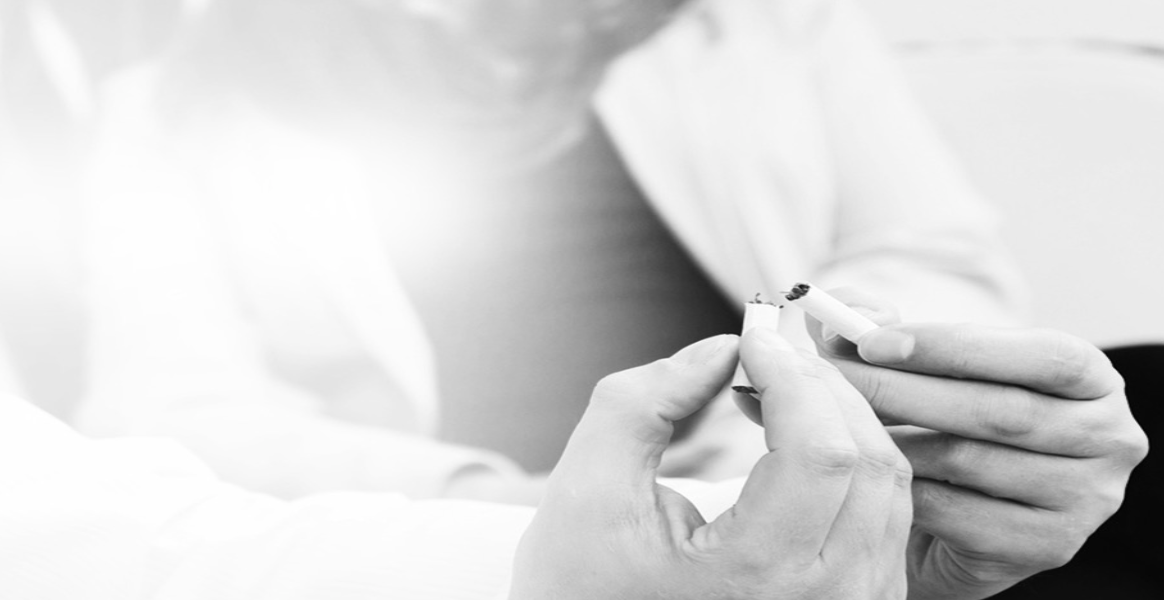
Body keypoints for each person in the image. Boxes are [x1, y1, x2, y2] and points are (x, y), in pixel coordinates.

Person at [74, 0, 1025, 502]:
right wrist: (487, 502)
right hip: (477, 536)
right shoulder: (171, 109)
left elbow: (935, 259)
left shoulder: (761, 22)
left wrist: (775, 424)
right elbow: (163, 409)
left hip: (783, 481)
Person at [2, 330, 915, 599]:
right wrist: (524, 531)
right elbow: (159, 431)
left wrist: (877, 440)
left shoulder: (756, 31)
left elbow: (925, 244)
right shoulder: (195, 98)